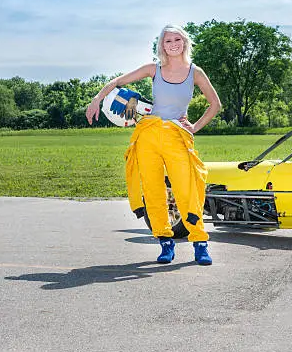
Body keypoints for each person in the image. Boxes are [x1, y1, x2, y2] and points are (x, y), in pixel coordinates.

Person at [85, 24, 221, 265]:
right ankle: (165, 241)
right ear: (162, 46)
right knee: (154, 190)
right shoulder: (153, 69)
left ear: (184, 42)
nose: (173, 44)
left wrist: (195, 126)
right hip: (149, 134)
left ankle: (200, 243)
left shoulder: (195, 72)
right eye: (168, 41)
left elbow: (215, 104)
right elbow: (117, 81)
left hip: (177, 136)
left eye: (177, 39)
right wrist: (97, 99)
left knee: (187, 189)